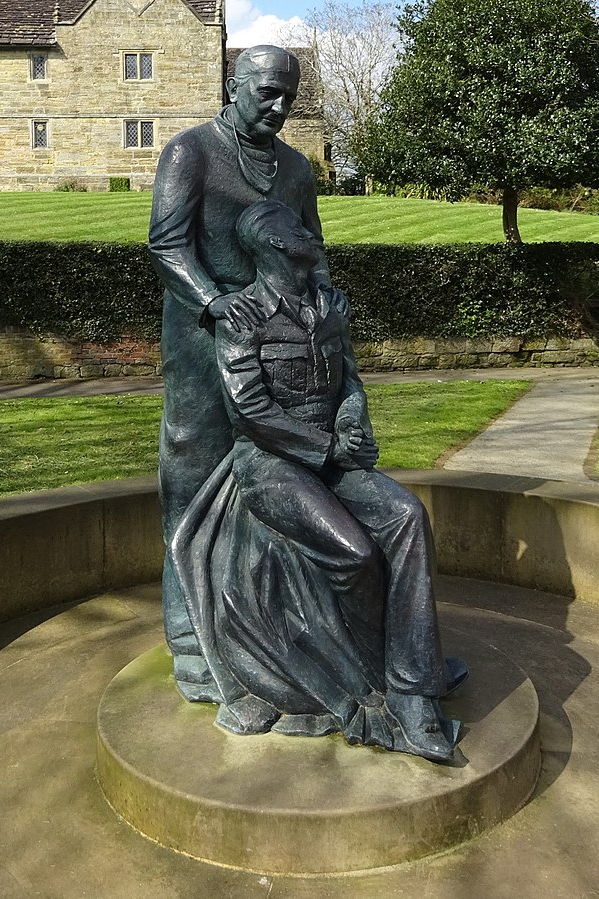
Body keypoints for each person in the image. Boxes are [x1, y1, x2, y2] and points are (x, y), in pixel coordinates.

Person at [169, 199, 465, 761]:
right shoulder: (244, 316)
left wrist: (353, 418)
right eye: (295, 227)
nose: (308, 230)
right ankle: (379, 672)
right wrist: (325, 445)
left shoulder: (331, 304)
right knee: (354, 552)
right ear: (276, 244)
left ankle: (413, 692)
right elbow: (249, 410)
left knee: (407, 516)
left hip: (330, 456)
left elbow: (349, 378)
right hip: (269, 464)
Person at [148, 46, 346, 699]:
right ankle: (188, 639)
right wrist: (213, 299)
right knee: (193, 469)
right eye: (266, 93)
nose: (279, 107)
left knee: (290, 472)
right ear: (233, 85)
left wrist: (324, 308)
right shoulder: (190, 153)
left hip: (282, 335)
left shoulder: (294, 169)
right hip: (201, 331)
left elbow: (311, 250)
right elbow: (167, 243)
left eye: (287, 96)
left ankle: (290, 630)